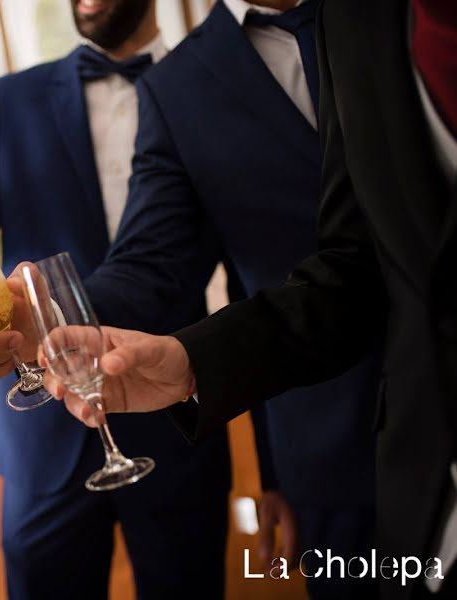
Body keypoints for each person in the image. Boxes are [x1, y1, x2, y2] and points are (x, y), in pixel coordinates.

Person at [51, 1, 457, 599]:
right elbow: (154, 264)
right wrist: (56, 313)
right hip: (324, 444)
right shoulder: (180, 85)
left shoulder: (365, 18)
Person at [0, 1, 236, 597]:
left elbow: (251, 275)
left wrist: (278, 460)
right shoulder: (11, 101)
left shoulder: (212, 94)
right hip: (40, 428)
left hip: (178, 423)